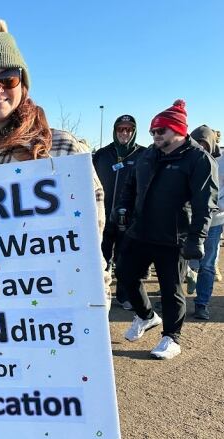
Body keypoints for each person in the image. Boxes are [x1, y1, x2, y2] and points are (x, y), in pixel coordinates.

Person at [0, 18, 108, 282]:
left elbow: (89, 249)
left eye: (8, 79)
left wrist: (93, 313)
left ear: (23, 84)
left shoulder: (63, 149)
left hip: (45, 304)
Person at [115, 100, 217, 359]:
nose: (156, 136)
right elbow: (130, 184)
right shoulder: (148, 155)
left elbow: (205, 202)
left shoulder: (198, 159)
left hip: (174, 236)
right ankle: (146, 316)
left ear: (178, 130)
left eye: (161, 131)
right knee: (126, 278)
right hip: (140, 231)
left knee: (171, 289)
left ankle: (172, 337)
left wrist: (197, 237)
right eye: (153, 132)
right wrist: (123, 209)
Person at [93, 115, 147, 310]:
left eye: (129, 129)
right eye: (120, 129)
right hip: (102, 217)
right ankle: (98, 294)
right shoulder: (102, 154)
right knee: (100, 258)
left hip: (129, 219)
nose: (124, 133)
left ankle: (124, 296)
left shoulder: (144, 155)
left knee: (125, 261)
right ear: (115, 131)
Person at [188, 124, 222, 320]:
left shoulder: (221, 162)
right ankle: (172, 296)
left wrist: (216, 206)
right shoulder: (187, 160)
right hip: (188, 219)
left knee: (208, 264)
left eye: (204, 143)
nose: (200, 147)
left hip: (214, 221)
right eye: (196, 142)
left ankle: (202, 303)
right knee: (182, 261)